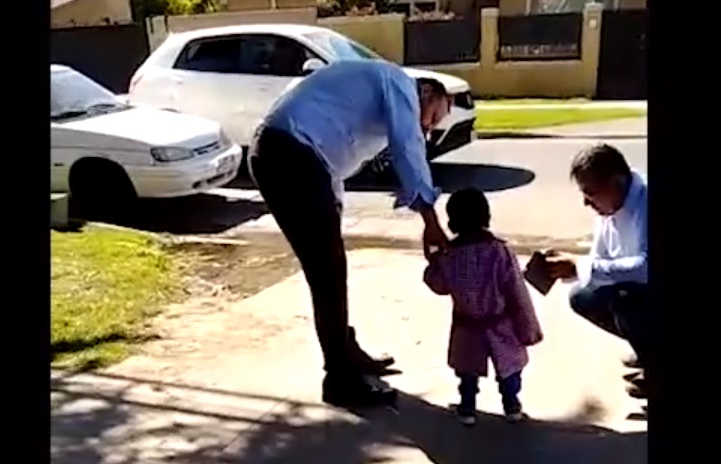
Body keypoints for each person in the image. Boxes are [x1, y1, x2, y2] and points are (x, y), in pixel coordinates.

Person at [247, 59, 452, 409]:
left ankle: (346, 353)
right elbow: (409, 146)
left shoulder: (375, 90)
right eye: (433, 116)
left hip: (282, 156)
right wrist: (431, 221)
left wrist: (334, 205)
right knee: (327, 273)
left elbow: (332, 155)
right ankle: (340, 379)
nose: (427, 128)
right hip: (288, 156)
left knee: (329, 268)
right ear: (427, 92)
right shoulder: (400, 82)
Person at [423, 189, 544, 426]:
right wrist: (528, 329)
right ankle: (512, 405)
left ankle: (467, 408)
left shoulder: (450, 256)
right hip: (499, 323)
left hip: (466, 325)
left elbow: (437, 284)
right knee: (509, 369)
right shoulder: (500, 252)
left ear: (452, 222)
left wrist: (433, 259)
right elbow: (517, 292)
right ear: (486, 217)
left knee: (467, 371)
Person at [544, 144, 652, 405]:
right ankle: (645, 346)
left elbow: (646, 267)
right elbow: (600, 259)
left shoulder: (645, 201)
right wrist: (565, 268)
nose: (586, 202)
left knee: (626, 301)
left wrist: (581, 267)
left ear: (616, 182)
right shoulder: (609, 206)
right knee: (582, 296)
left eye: (590, 193)